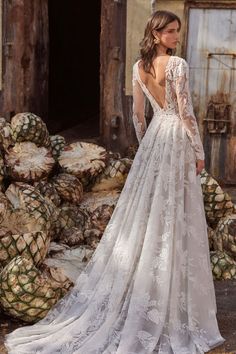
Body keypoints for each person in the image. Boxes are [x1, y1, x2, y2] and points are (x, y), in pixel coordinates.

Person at [5, 10, 225, 354]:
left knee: (149, 215)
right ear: (155, 34)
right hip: (176, 139)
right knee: (171, 214)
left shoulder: (138, 67)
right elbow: (186, 112)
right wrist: (198, 151)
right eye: (169, 31)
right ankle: (168, 302)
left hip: (155, 140)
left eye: (177, 31)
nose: (175, 36)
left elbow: (138, 116)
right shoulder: (177, 64)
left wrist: (147, 143)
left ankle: (155, 295)